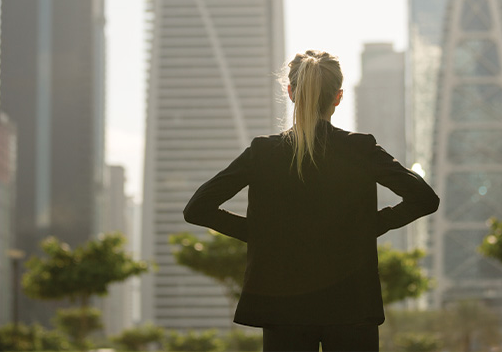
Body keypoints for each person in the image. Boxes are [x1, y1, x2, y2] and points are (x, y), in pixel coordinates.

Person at [184, 50, 439, 351]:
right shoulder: (360, 149)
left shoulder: (264, 153)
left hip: (283, 307)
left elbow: (197, 209)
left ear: (291, 93)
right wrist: (370, 226)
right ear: (338, 97)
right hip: (352, 305)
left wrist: (261, 233)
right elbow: (424, 199)